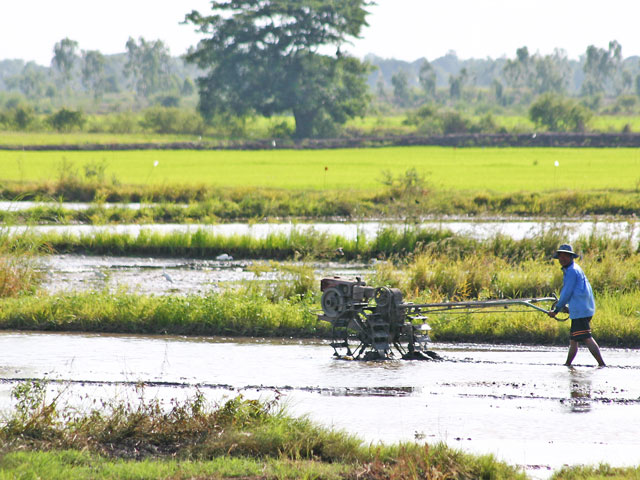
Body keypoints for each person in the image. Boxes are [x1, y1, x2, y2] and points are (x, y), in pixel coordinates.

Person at [548, 244, 605, 367]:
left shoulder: (572, 271)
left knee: (586, 337)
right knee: (573, 340)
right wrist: (568, 306)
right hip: (583, 308)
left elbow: (566, 292)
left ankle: (602, 364)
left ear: (571, 257)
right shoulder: (575, 269)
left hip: (581, 310)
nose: (562, 259)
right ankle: (568, 364)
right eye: (560, 256)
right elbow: (576, 291)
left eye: (565, 256)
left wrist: (556, 309)